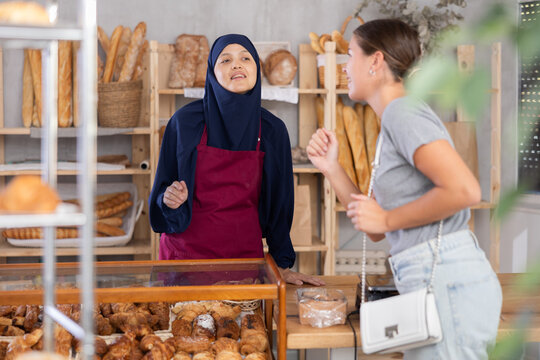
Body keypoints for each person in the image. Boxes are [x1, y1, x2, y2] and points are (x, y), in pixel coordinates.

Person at [307, 19, 501, 359]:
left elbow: (465, 190)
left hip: (447, 282)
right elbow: (377, 225)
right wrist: (332, 167)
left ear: (376, 61)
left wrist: (386, 219)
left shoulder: (402, 114)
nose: (344, 67)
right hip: (434, 281)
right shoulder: (394, 120)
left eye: (350, 55)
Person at [149, 34, 323, 286]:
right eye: (225, 60)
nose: (237, 64)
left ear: (256, 69)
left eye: (245, 58)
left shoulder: (272, 130)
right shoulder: (185, 122)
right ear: (212, 72)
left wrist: (281, 265)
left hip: (244, 265)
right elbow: (162, 189)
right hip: (185, 261)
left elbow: (280, 204)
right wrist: (168, 199)